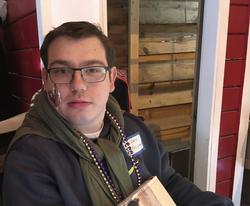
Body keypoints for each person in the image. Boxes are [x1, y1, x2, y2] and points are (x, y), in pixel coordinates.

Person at [2, 21, 233, 206]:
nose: (78, 85)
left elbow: (167, 182)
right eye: (62, 71)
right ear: (46, 80)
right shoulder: (30, 160)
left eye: (92, 70)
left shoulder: (133, 128)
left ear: (112, 79)